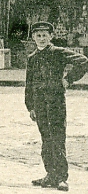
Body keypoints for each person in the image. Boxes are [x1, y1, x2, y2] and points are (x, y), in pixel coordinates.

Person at [25, 21, 88, 191]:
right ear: (33, 38)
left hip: (56, 102)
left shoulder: (58, 53)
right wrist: (30, 106)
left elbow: (83, 61)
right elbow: (29, 83)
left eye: (45, 35)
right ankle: (50, 175)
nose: (42, 38)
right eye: (38, 35)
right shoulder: (32, 58)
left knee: (57, 138)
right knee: (46, 139)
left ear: (51, 36)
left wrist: (68, 79)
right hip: (39, 104)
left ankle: (61, 178)